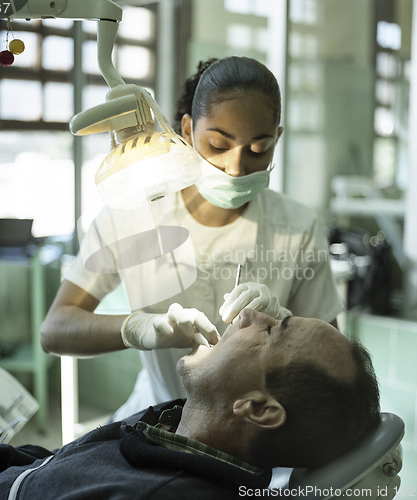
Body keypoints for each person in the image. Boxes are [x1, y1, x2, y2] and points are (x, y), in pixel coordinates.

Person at [40, 56, 344, 420]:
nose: (235, 167)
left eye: (258, 149)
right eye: (217, 144)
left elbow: (335, 363)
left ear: (277, 138)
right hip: (154, 415)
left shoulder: (296, 226)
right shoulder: (135, 214)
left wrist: (283, 322)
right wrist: (138, 328)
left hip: (253, 430)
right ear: (187, 129)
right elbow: (55, 330)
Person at [0, 310, 379, 500]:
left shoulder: (165, 493)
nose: (248, 313)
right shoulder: (167, 428)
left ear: (259, 408)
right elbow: (60, 467)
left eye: (271, 331)